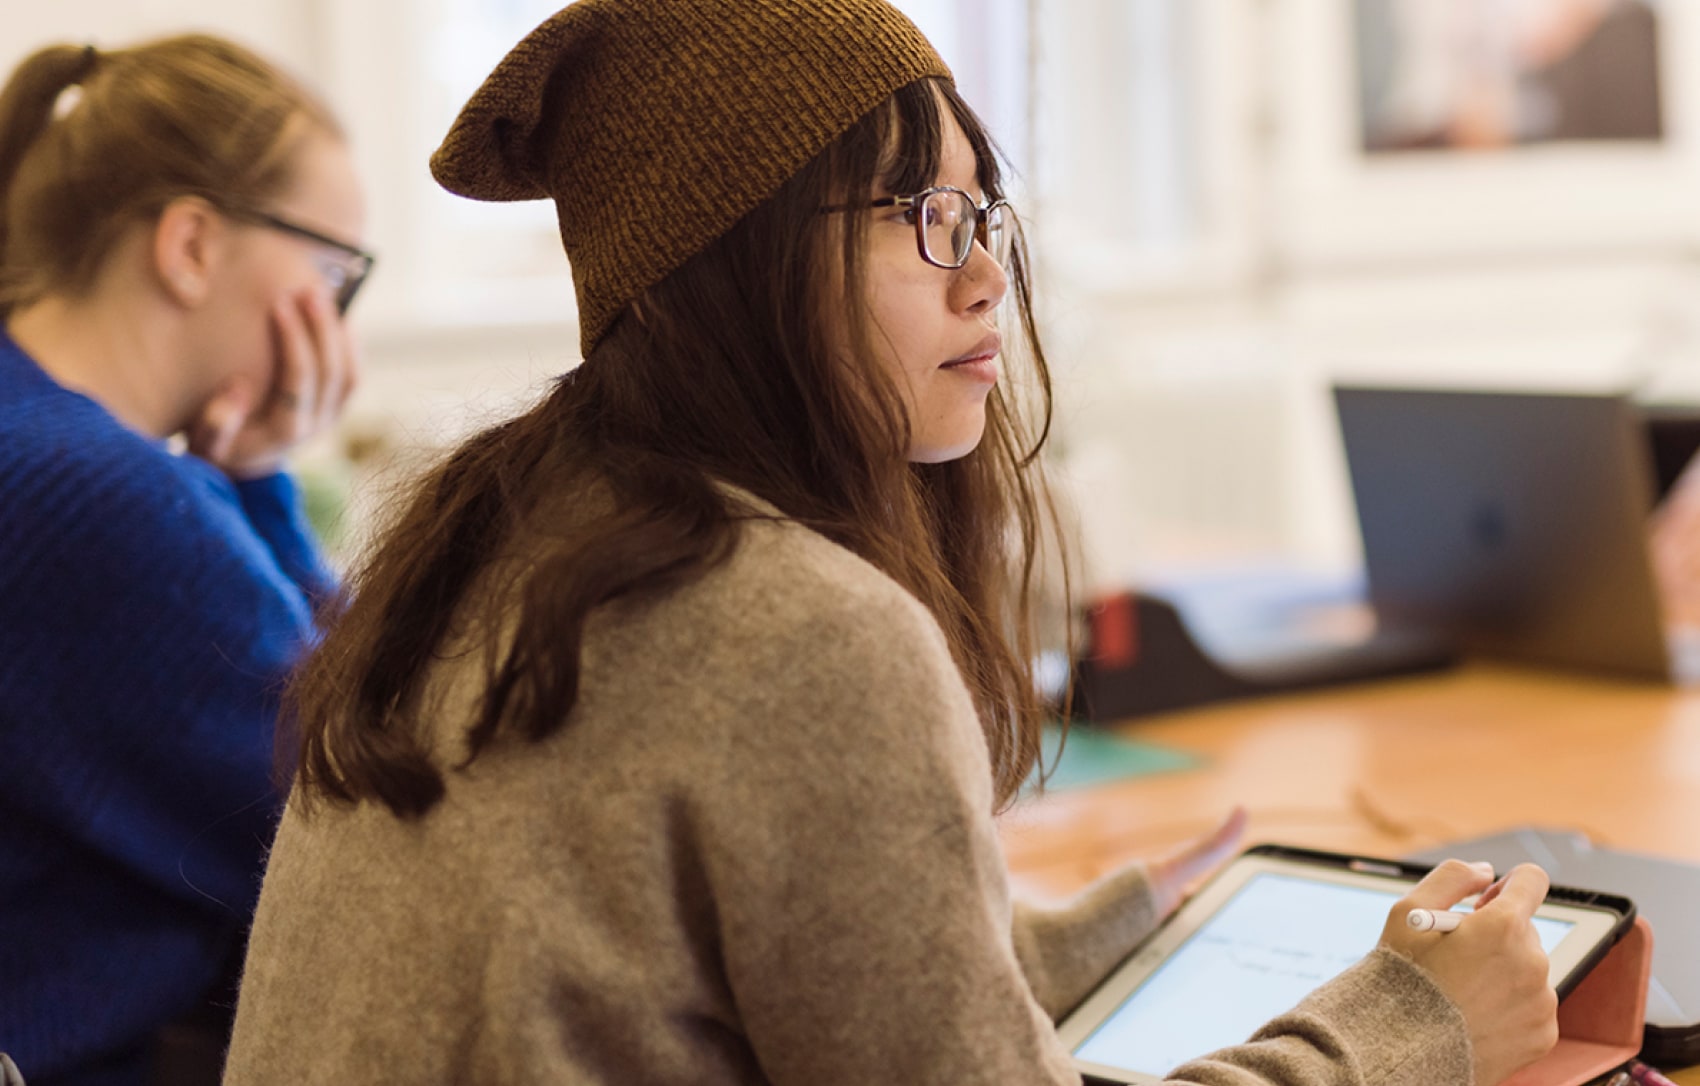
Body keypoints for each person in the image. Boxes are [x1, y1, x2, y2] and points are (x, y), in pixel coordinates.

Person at [223, 2, 1557, 1083]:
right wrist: (1411, 1023)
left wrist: (1100, 931)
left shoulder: (499, 540)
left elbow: (729, 987)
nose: (984, 273)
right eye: (921, 216)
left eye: (982, 214)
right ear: (737, 264)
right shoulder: (799, 631)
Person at [0, 33, 366, 1086]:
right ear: (191, 245)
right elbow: (371, 784)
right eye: (332, 272)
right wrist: (266, 482)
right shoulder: (94, 496)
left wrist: (248, 471)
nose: (337, 325)